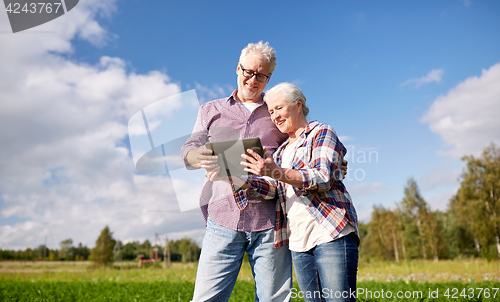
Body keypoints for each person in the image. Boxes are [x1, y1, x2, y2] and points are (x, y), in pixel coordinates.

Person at [180, 41, 292, 302]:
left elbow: (300, 142)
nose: (253, 80)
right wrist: (200, 157)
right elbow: (189, 149)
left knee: (274, 299)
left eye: (262, 76)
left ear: (269, 78)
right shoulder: (210, 110)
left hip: (269, 223)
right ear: (237, 68)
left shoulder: (277, 113)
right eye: (248, 72)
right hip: (222, 219)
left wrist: (333, 161)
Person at [236, 82, 359, 302]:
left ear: (298, 104)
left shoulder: (320, 132)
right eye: (271, 111)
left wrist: (277, 172)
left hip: (330, 232)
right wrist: (239, 179)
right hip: (299, 242)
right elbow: (274, 190)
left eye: (279, 108)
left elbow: (323, 177)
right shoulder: (282, 151)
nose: (275, 116)